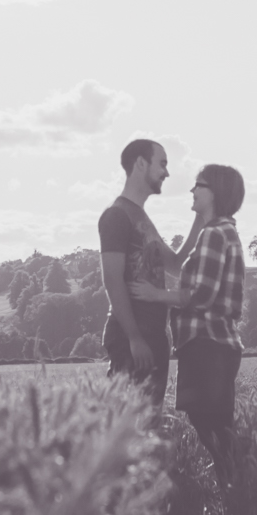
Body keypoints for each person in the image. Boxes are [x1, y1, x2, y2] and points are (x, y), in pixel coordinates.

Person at [169, 162, 246, 477]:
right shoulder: (223, 231)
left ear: (215, 192)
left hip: (206, 342)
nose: (192, 189)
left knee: (207, 421)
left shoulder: (215, 234)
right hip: (218, 343)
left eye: (198, 184)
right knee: (216, 423)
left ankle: (235, 483)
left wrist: (154, 295)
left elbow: (202, 295)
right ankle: (236, 485)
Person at [98, 138, 182, 407]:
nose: (167, 173)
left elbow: (176, 265)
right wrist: (134, 337)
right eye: (162, 164)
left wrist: (202, 219)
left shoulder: (141, 216)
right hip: (132, 335)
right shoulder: (116, 215)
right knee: (126, 423)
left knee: (148, 423)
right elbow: (112, 279)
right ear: (140, 164)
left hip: (154, 332)